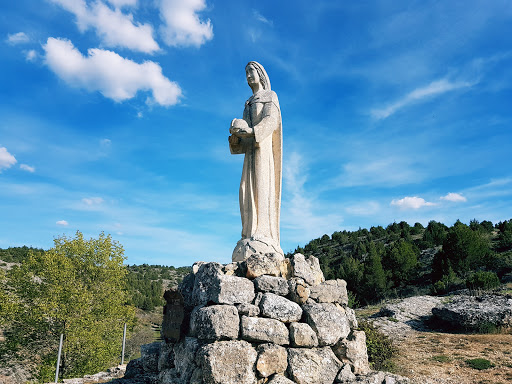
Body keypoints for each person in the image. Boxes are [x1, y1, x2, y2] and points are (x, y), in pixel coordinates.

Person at [229, 61, 283, 261]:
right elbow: (244, 138)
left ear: (260, 74)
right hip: (250, 153)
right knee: (245, 191)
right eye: (246, 73)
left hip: (263, 152)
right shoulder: (248, 102)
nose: (248, 75)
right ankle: (248, 233)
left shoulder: (270, 96)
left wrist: (252, 132)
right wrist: (236, 137)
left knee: (261, 189)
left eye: (251, 71)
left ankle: (263, 235)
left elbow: (271, 121)